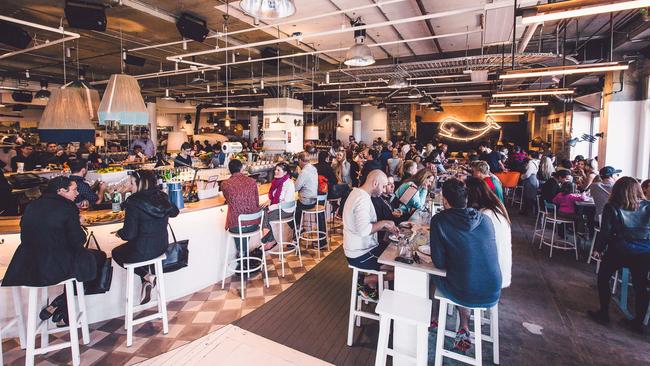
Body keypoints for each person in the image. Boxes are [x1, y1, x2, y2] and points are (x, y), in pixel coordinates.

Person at [2, 176, 106, 326]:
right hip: (53, 267)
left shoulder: (32, 206)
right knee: (97, 258)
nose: (77, 193)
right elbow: (78, 240)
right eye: (74, 189)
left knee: (85, 263)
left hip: (27, 267)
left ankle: (62, 308)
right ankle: (61, 304)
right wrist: (79, 224)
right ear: (61, 191)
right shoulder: (68, 207)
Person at [429, 178, 501, 353]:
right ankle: (463, 326)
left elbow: (438, 263)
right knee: (466, 274)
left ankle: (433, 317)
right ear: (466, 199)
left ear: (444, 200)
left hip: (465, 290)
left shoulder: (439, 220)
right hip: (493, 289)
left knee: (433, 275)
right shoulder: (485, 219)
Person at [588, 177, 650, 334]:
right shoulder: (648, 206)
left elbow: (606, 231)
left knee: (603, 278)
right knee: (640, 287)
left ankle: (604, 313)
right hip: (643, 252)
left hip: (619, 249)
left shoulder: (612, 206)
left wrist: (598, 249)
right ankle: (638, 322)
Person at [112, 171, 179, 304]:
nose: (130, 186)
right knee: (140, 250)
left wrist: (119, 233)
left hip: (142, 251)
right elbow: (174, 212)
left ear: (141, 184)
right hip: (161, 247)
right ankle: (147, 278)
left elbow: (129, 234)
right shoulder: (162, 196)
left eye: (131, 183)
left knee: (116, 253)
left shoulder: (133, 202)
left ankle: (147, 276)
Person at [343, 170, 398, 300]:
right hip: (360, 254)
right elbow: (364, 230)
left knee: (397, 256)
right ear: (375, 183)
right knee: (402, 268)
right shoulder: (362, 199)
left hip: (358, 250)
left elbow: (365, 225)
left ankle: (371, 284)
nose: (385, 190)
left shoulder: (357, 193)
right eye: (383, 186)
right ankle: (365, 281)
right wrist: (384, 223)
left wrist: (385, 226)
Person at [465, 176, 512, 289]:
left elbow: (470, 244)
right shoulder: (496, 208)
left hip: (489, 276)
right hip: (500, 272)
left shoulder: (485, 215)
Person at [221, 159, 262, 261]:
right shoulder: (252, 182)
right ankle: (243, 254)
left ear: (229, 170)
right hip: (253, 224)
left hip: (237, 226)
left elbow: (228, 200)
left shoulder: (225, 184)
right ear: (242, 168)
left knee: (239, 225)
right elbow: (257, 202)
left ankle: (242, 253)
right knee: (244, 226)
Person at [294, 151, 326, 248]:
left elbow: (296, 188)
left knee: (294, 209)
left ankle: (296, 234)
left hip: (307, 202)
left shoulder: (304, 172)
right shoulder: (313, 169)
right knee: (298, 207)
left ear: (300, 160)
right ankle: (322, 240)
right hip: (315, 200)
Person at [260, 162, 295, 250]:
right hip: (278, 207)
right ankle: (270, 239)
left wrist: (271, 207)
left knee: (264, 215)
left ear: (285, 172)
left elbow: (285, 203)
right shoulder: (276, 182)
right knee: (263, 210)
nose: (275, 171)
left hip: (286, 211)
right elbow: (274, 196)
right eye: (275, 169)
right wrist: (269, 201)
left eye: (278, 170)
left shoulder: (289, 184)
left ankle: (270, 241)